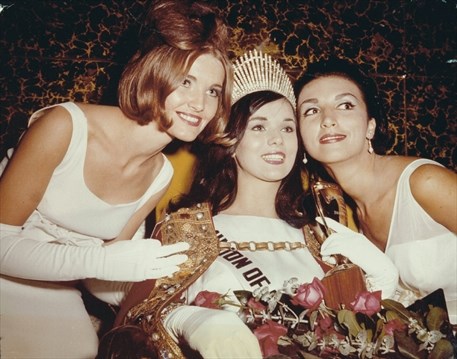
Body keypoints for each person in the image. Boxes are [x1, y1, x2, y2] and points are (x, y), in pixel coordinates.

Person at [105, 50, 399, 359]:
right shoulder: (187, 229)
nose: (277, 140)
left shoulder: (321, 234)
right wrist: (185, 320)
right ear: (231, 142)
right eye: (259, 127)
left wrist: (381, 288)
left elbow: (357, 337)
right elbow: (133, 328)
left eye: (287, 128)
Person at [0, 1, 233, 358]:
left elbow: (101, 278)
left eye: (213, 91)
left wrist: (181, 291)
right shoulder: (63, 127)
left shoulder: (160, 174)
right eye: (186, 82)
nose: (200, 103)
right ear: (155, 72)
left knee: (83, 351)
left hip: (58, 288)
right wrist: (104, 261)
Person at [294, 57, 457, 323]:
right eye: (311, 111)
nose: (327, 120)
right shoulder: (342, 213)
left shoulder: (423, 183)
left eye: (345, 105)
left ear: (371, 125)